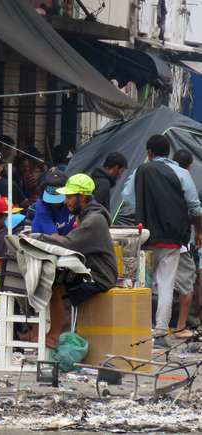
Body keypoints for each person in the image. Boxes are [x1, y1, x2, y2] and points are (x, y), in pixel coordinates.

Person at [122, 135, 202, 348]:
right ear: (168, 152)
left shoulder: (142, 171)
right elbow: (195, 207)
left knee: (143, 284)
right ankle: (159, 333)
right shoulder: (182, 173)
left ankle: (138, 329)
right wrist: (199, 231)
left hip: (145, 236)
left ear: (149, 153)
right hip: (172, 239)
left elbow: (127, 196)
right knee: (166, 285)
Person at [36, 174, 117, 348]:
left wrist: (39, 238)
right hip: (90, 271)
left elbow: (68, 243)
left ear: (82, 197)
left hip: (99, 277)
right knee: (54, 282)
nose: (65, 201)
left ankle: (57, 337)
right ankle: (55, 334)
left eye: (69, 197)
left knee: (57, 287)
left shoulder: (93, 220)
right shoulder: (88, 216)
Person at [171, 149, 197, 339]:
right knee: (187, 286)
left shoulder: (162, 177)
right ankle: (180, 327)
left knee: (162, 285)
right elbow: (195, 209)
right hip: (180, 242)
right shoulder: (185, 179)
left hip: (155, 240)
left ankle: (159, 325)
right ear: (189, 166)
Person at [31, 168, 75, 236]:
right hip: (45, 239)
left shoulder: (72, 201)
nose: (54, 202)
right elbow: (54, 236)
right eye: (51, 197)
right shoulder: (41, 205)